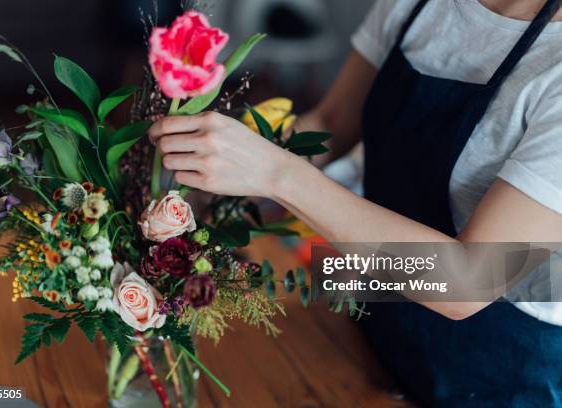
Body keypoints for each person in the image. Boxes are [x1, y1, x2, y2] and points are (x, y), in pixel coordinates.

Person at [148, 0, 562, 405]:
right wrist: (212, 168)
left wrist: (276, 173)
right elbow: (331, 123)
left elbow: (468, 283)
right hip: (377, 330)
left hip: (498, 377)